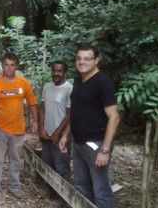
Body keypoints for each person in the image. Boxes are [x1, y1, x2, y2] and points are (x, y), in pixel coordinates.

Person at [59, 45, 120, 208]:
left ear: (96, 60)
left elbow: (114, 117)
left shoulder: (103, 82)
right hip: (79, 144)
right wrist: (65, 135)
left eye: (87, 58)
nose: (82, 62)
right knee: (81, 188)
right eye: (79, 58)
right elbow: (75, 111)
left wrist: (105, 150)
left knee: (101, 190)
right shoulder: (78, 80)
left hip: (96, 145)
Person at [0, 52, 38, 203]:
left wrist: (35, 121)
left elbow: (32, 103)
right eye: (6, 65)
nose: (9, 68)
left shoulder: (23, 83)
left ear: (16, 66)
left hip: (18, 130)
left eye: (12, 65)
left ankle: (14, 186)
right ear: (2, 65)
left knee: (15, 160)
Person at [38, 60, 73, 207]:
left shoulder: (69, 89)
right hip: (46, 134)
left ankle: (63, 197)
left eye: (59, 71)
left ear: (64, 72)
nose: (56, 74)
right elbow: (43, 108)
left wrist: (58, 133)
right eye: (54, 70)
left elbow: (70, 114)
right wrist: (41, 128)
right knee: (49, 164)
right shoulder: (47, 87)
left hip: (61, 137)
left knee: (62, 167)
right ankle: (52, 191)